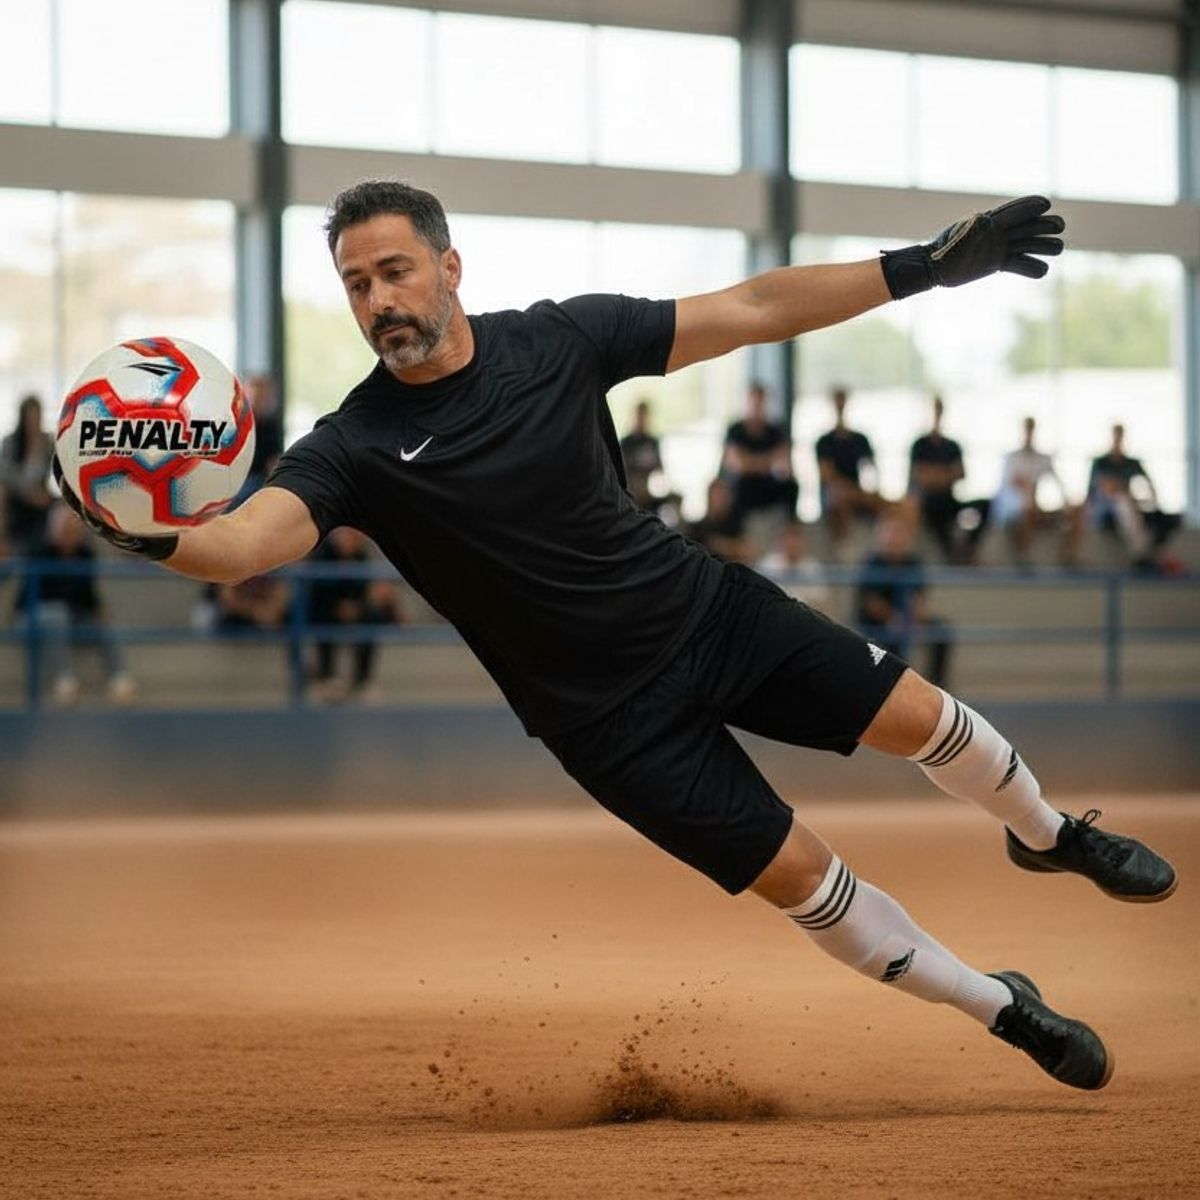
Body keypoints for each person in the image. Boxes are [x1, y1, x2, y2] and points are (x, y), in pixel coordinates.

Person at [58, 183, 1176, 1093]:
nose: (377, 300)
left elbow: (750, 308)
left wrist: (921, 265)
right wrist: (144, 530)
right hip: (606, 723)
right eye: (355, 284)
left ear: (451, 267)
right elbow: (246, 544)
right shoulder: (350, 444)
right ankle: (1004, 1008)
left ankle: (1046, 832)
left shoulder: (559, 340)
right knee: (805, 880)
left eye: (394, 271)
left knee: (924, 719)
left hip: (707, 613)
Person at [15, 503, 136, 706]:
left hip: (72, 616)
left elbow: (88, 592)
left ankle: (119, 678)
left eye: (76, 529)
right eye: (67, 529)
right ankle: (65, 678)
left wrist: (99, 610)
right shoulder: (39, 552)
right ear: (55, 530)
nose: (73, 534)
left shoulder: (84, 554)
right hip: (33, 615)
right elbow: (30, 596)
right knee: (57, 613)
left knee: (104, 621)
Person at [856, 508, 953, 689]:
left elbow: (919, 597)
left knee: (941, 631)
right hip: (877, 622)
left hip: (905, 618)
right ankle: (894, 688)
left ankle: (936, 685)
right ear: (881, 537)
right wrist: (895, 619)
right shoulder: (872, 563)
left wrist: (916, 618)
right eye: (890, 532)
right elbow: (871, 603)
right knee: (893, 638)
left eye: (898, 532)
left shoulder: (913, 562)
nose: (894, 538)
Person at [306, 525, 402, 701]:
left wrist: (359, 606)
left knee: (373, 619)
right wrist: (337, 606)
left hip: (356, 609)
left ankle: (363, 680)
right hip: (325, 609)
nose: (355, 539)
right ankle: (326, 676)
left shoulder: (362, 555)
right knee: (323, 620)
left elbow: (369, 590)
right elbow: (315, 591)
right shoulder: (322, 553)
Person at [908, 395, 989, 563]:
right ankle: (951, 553)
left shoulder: (952, 446)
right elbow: (922, 477)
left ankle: (967, 548)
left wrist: (935, 474)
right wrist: (946, 474)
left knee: (985, 504)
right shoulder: (919, 445)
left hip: (950, 500)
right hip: (929, 503)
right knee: (933, 507)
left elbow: (961, 474)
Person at [1086, 424, 1180, 570]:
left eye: (1121, 437)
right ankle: (1141, 552)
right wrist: (1122, 491)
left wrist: (1147, 499)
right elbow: (1103, 489)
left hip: (1129, 506)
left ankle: (1146, 552)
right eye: (1116, 436)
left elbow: (1150, 486)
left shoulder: (1132, 462)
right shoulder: (1101, 462)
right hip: (1105, 509)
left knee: (1164, 518)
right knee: (1122, 500)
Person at [993, 416, 1082, 566]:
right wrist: (1026, 495)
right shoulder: (1011, 459)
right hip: (1014, 514)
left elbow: (1060, 486)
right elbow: (1007, 493)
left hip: (1037, 510)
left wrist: (1067, 503)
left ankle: (1069, 556)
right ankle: (1023, 556)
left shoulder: (1044, 459)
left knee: (1076, 509)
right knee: (1027, 507)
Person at [815, 386, 883, 545]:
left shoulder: (860, 439)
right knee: (839, 498)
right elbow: (827, 476)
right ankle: (843, 549)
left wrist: (870, 490)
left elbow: (871, 469)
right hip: (835, 496)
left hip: (857, 493)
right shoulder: (824, 442)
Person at [722, 382, 799, 522]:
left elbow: (784, 465)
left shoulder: (776, 431)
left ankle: (791, 532)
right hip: (743, 488)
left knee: (791, 487)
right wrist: (768, 461)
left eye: (760, 402)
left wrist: (750, 461)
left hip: (768, 486)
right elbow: (737, 464)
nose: (757, 406)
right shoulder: (735, 430)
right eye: (754, 402)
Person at [1, 393, 55, 555]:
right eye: (30, 416)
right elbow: (6, 474)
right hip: (16, 496)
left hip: (41, 499)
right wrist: (29, 493)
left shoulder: (47, 442)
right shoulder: (10, 442)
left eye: (36, 416)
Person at [618, 399, 665, 511]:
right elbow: (622, 472)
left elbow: (660, 470)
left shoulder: (652, 442)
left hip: (650, 492)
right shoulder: (626, 443)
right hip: (631, 493)